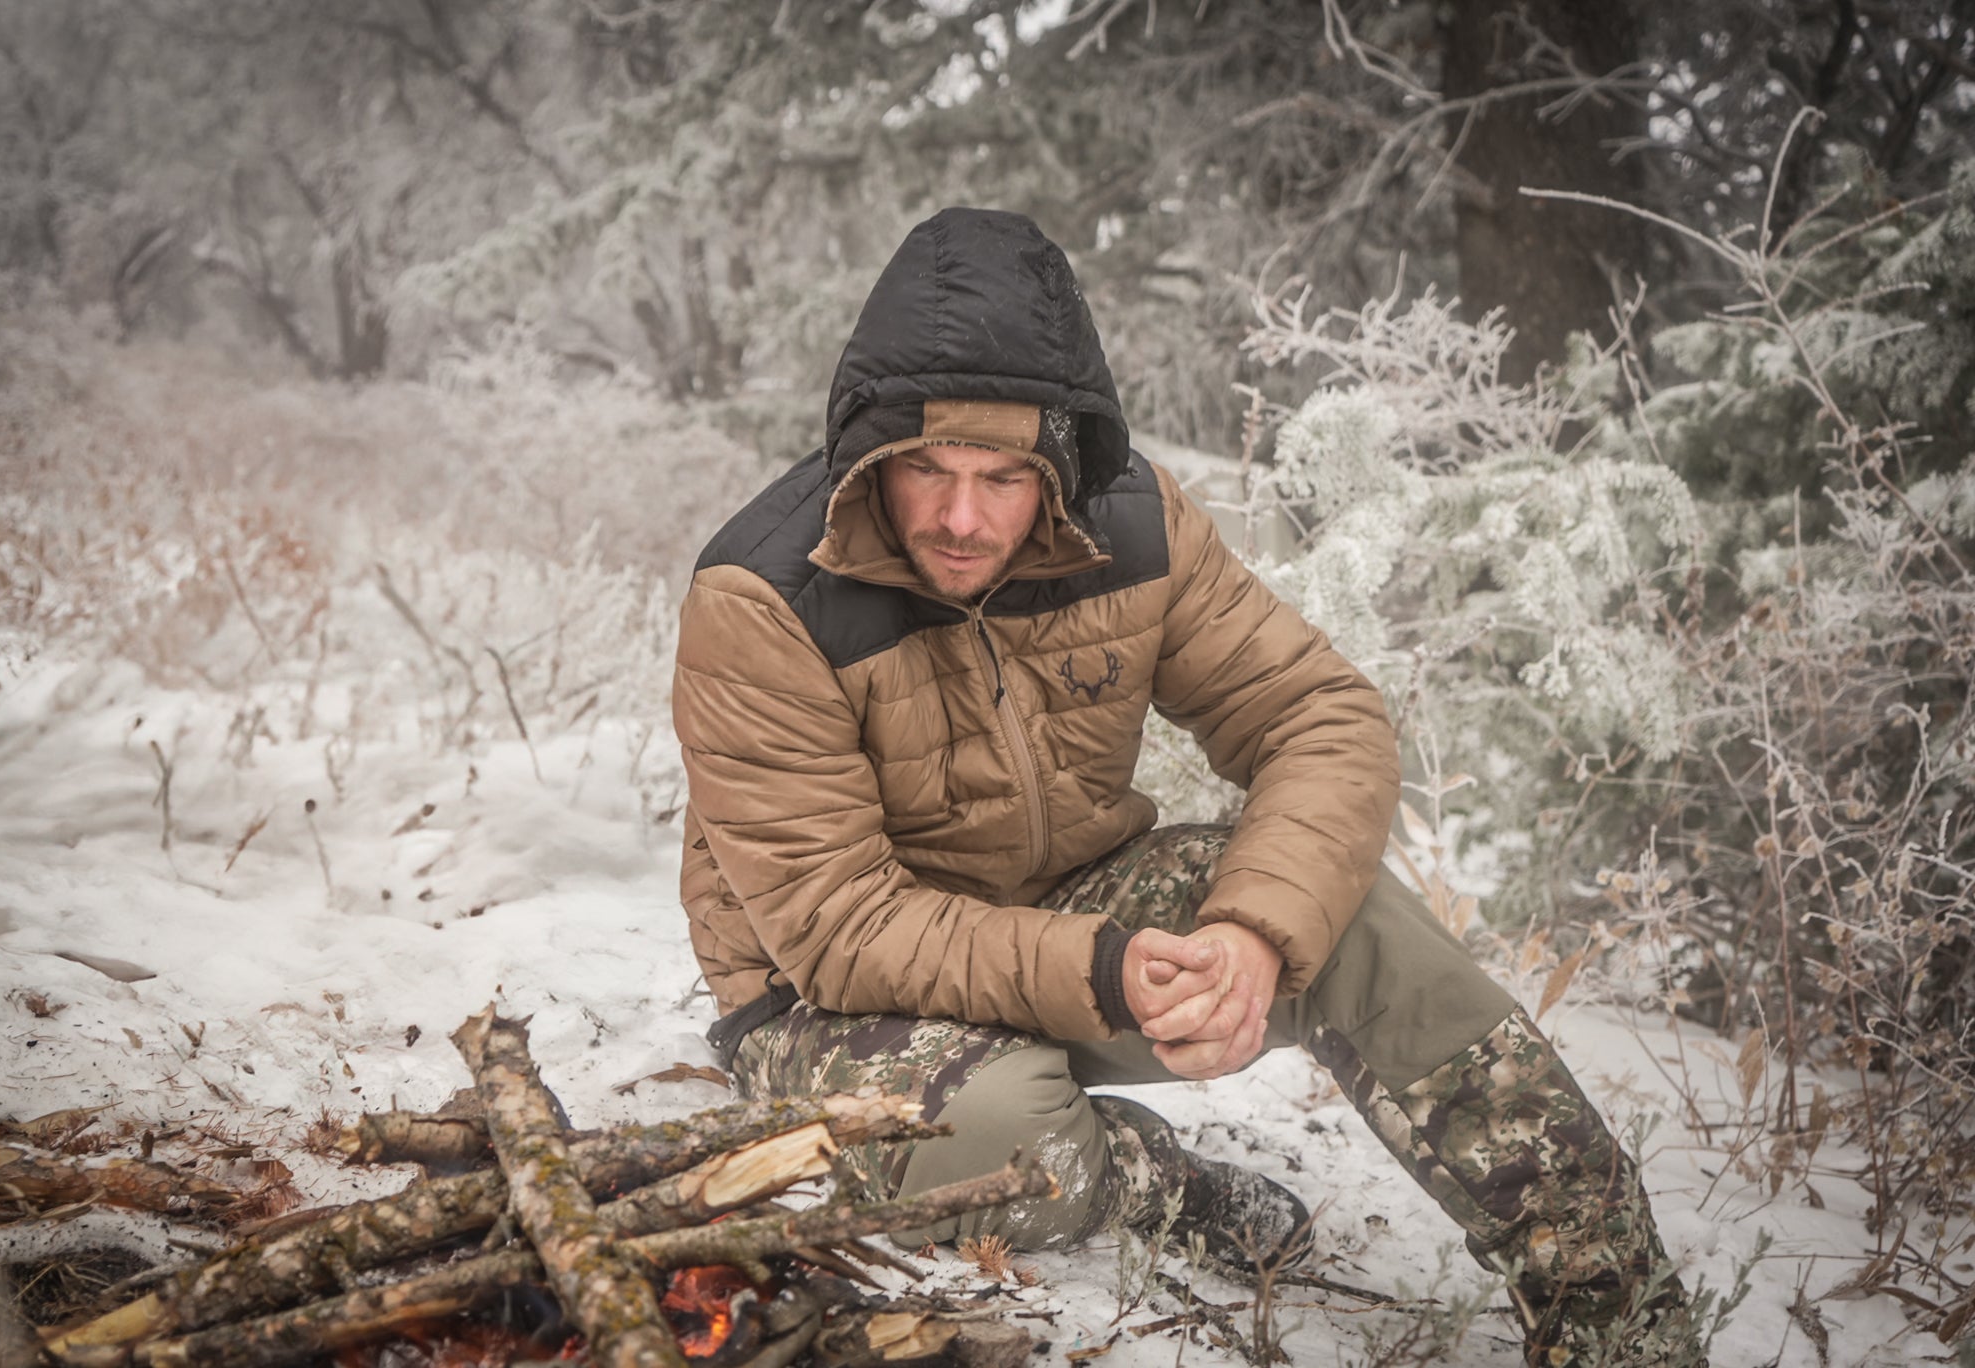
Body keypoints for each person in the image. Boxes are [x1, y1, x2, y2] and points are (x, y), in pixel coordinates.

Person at [673, 207, 1698, 1366]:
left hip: (1070, 902)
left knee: (1345, 915)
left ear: (1056, 467)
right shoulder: (761, 600)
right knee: (1010, 1149)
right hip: (826, 993)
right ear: (866, 453)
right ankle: (1142, 1181)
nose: (959, 518)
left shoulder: (1135, 528)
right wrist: (1101, 970)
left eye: (1003, 477)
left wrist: (1252, 935)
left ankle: (1621, 1324)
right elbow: (836, 927)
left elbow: (1320, 714)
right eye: (923, 469)